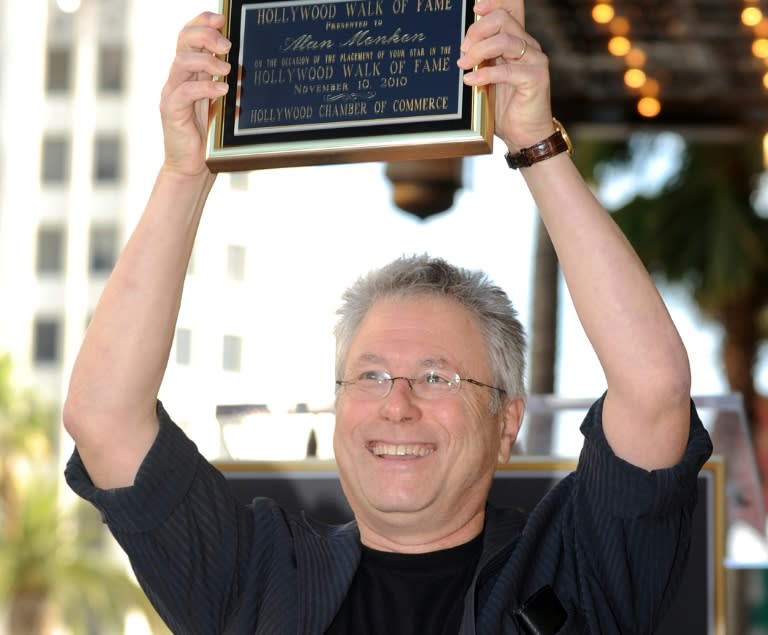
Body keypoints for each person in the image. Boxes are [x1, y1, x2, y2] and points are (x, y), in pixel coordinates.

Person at [63, 2, 712, 633]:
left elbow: (653, 388)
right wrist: (186, 169)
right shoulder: (256, 576)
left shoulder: (572, 571)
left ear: (507, 420)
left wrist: (535, 142)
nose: (396, 404)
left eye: (437, 378)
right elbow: (104, 417)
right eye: (369, 376)